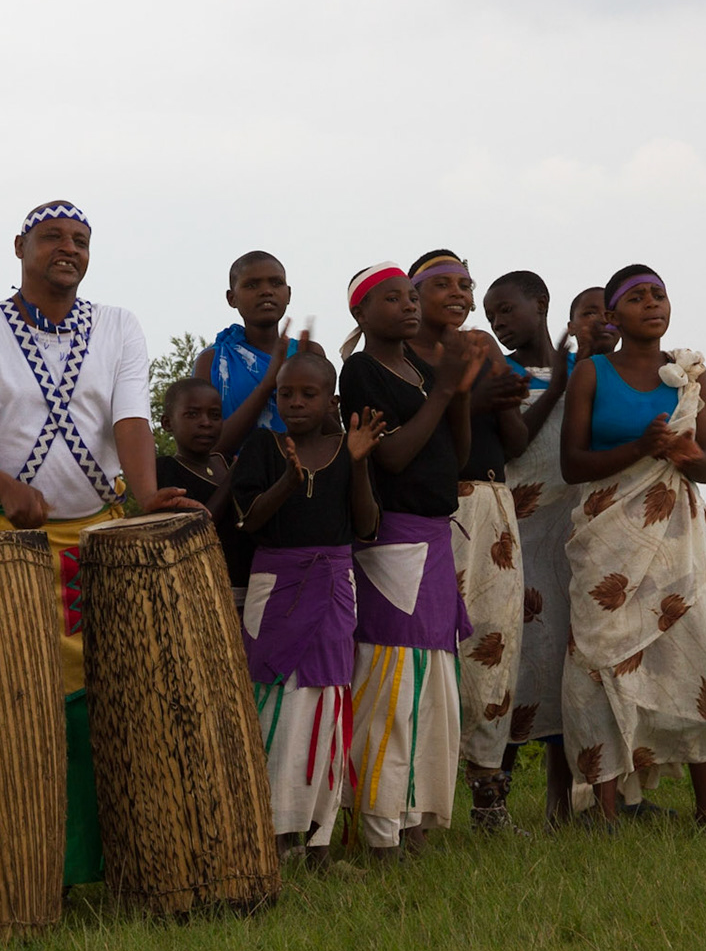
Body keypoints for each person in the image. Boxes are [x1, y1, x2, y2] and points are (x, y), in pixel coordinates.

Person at [0, 201, 196, 887]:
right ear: (20, 247)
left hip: (96, 542)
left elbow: (130, 415)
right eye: (51, 238)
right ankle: (18, 867)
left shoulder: (118, 327)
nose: (66, 249)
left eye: (79, 240)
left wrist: (145, 491)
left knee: (107, 700)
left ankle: (106, 866)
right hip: (6, 546)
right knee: (12, 698)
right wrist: (5, 489)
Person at [559, 264, 706, 827]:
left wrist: (683, 455)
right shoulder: (591, 374)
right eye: (636, 298)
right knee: (601, 660)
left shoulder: (692, 377)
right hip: (607, 535)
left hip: (678, 539)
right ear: (613, 317)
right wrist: (641, 448)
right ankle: (608, 809)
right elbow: (572, 463)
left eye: (658, 295)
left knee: (697, 654)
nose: (651, 304)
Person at [338, 263, 480, 859]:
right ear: (362, 314)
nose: (408, 306)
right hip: (393, 541)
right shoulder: (362, 371)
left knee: (432, 692)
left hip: (434, 538)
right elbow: (389, 459)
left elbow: (459, 456)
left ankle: (416, 818)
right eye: (390, 298)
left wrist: (457, 389)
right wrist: (444, 391)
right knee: (391, 688)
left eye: (409, 297)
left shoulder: (423, 370)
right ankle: (378, 828)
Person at [233, 354, 386, 865]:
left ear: (330, 400)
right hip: (275, 588)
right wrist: (288, 482)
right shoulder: (261, 447)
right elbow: (249, 521)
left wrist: (359, 463)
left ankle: (317, 841)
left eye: (308, 395)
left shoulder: (349, 449)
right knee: (275, 704)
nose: (295, 403)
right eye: (285, 394)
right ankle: (273, 835)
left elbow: (365, 526)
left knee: (325, 702)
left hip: (334, 586)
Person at [406, 250, 533, 830]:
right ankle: (418, 796)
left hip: (493, 506)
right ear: (412, 294)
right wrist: (467, 395)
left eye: (464, 284)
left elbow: (514, 439)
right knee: (430, 651)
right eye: (440, 285)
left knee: (493, 647)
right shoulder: (400, 355)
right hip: (434, 510)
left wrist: (495, 375)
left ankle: (488, 795)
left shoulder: (482, 351)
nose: (455, 293)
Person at [484, 272, 594, 825]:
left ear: (542, 304)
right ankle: (494, 792)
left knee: (564, 662)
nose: (498, 322)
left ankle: (560, 800)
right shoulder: (499, 373)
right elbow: (515, 441)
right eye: (491, 313)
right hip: (516, 529)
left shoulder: (587, 372)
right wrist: (554, 388)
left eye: (506, 309)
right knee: (515, 655)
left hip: (569, 529)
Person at [193, 251, 324, 456]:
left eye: (276, 283)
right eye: (252, 285)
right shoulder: (213, 361)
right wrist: (267, 385)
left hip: (304, 478)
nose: (266, 291)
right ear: (231, 298)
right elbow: (209, 451)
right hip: (235, 482)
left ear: (288, 294)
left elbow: (329, 433)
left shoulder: (307, 352)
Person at [156, 378, 255, 606]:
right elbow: (195, 530)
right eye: (192, 415)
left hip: (252, 589)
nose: (206, 423)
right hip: (205, 595)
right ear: (167, 423)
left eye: (215, 415)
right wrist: (232, 479)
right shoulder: (165, 469)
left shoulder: (228, 461)